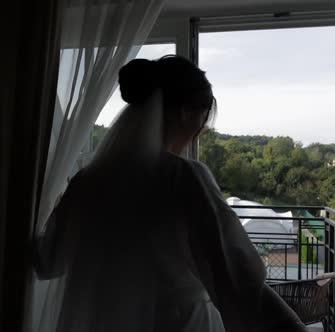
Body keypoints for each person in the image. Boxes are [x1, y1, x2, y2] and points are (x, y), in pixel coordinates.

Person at [34, 55, 307, 332]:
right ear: (185, 113)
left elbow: (47, 264)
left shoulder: (86, 181)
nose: (200, 132)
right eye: (202, 119)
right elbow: (239, 281)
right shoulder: (183, 178)